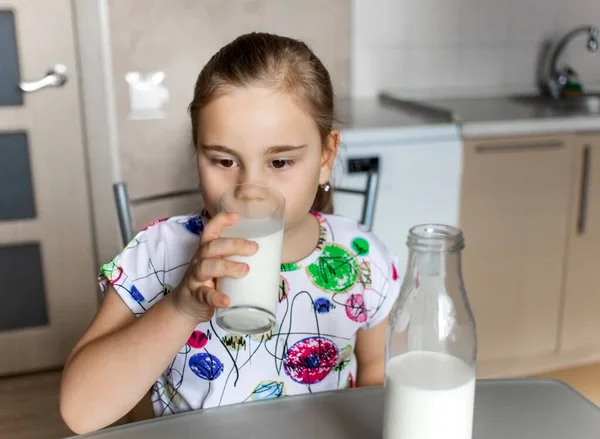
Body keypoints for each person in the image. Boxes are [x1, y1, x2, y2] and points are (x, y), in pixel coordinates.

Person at [59, 32, 400, 434]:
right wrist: (182, 307)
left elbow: (374, 370)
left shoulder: (362, 258)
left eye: (280, 162)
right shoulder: (159, 254)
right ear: (197, 151)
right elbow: (79, 411)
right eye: (224, 160)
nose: (249, 190)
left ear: (326, 157)